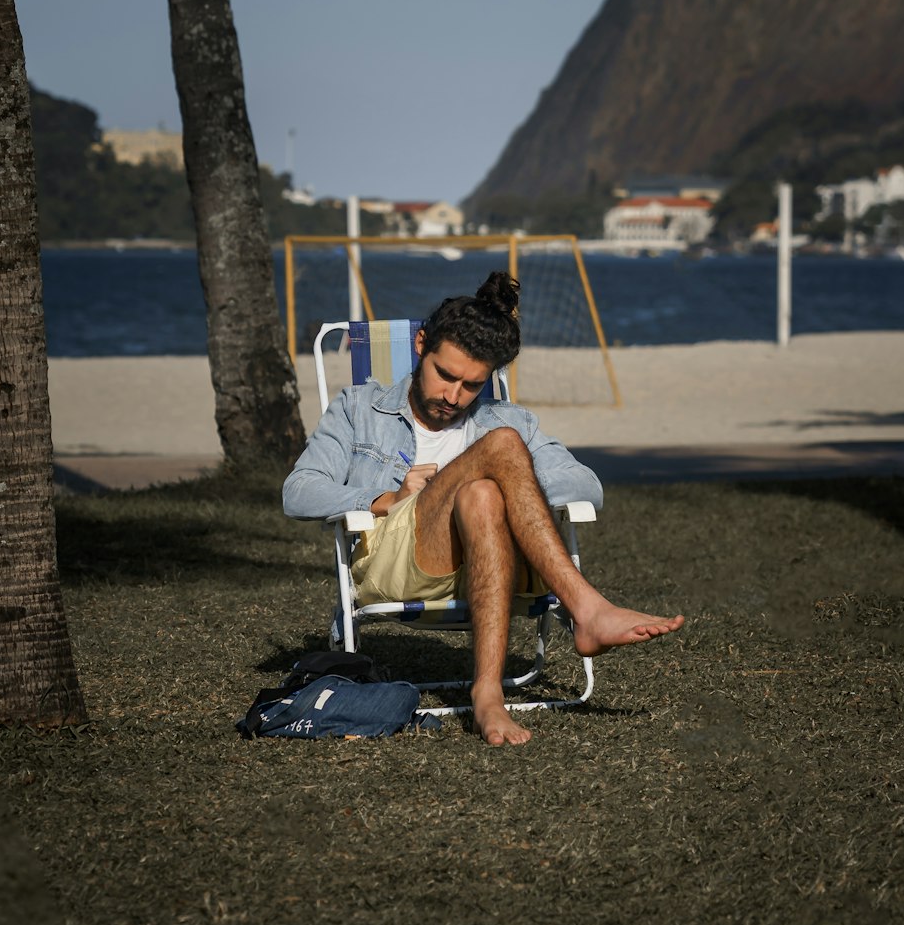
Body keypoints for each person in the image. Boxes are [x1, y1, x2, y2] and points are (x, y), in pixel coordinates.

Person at [283, 271, 683, 746]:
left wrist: (505, 485)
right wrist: (382, 498)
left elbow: (585, 485)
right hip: (402, 562)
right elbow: (299, 490)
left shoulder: (508, 419)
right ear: (421, 344)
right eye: (445, 375)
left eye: (471, 385)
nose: (453, 397)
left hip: (500, 562)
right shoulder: (359, 408)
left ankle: (487, 694)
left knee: (483, 492)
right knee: (503, 447)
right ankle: (588, 610)